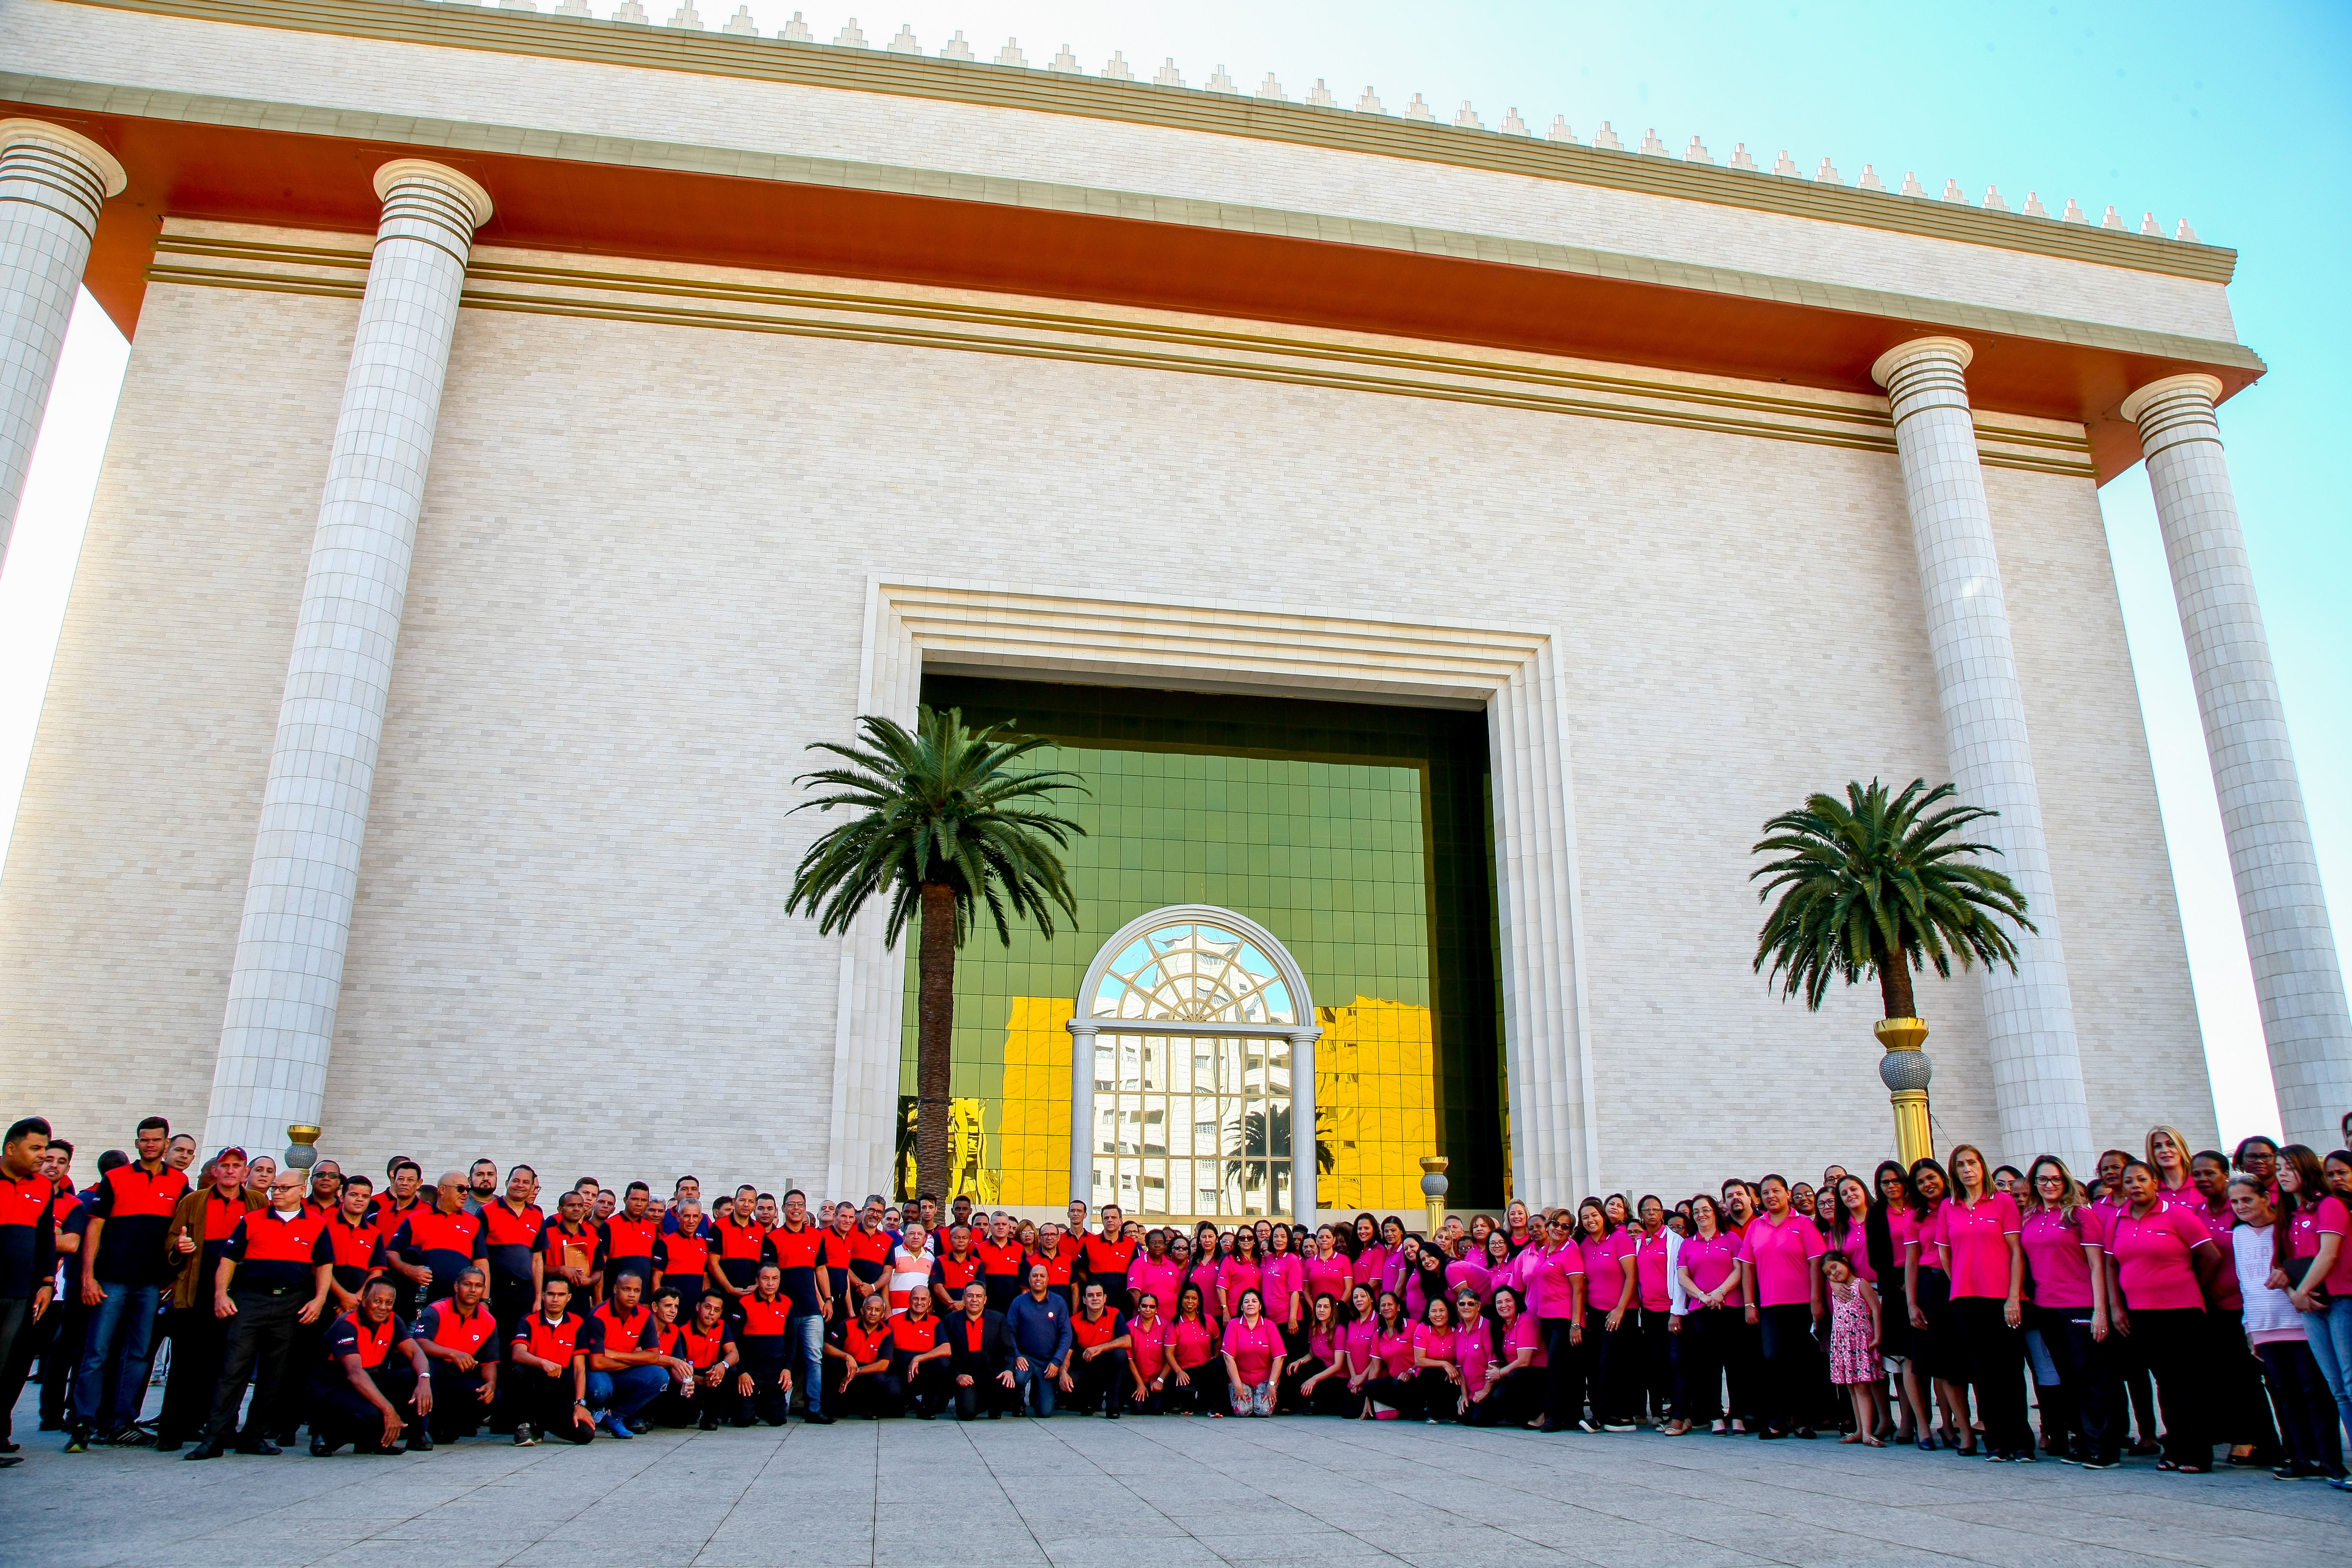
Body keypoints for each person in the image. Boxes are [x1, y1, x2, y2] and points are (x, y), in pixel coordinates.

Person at [68, 1115, 190, 1451]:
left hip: (151, 1284)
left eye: (156, 1140)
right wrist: (88, 1276)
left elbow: (185, 1230)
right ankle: (83, 1423)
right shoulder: (116, 1178)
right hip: (112, 1281)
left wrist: (177, 1274)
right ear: (137, 1143)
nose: (149, 1145)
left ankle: (123, 1423)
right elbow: (95, 1228)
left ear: (166, 1144)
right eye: (143, 1139)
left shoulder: (179, 1184)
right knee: (97, 1352)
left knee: (138, 1355)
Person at [2106, 1157, 2225, 1473]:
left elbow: (2211, 1256)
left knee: (2192, 1382)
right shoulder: (2118, 1220)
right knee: (2166, 1383)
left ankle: (2198, 1453)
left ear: (2155, 1182)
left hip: (2182, 1312)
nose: (2135, 1186)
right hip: (2142, 1314)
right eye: (2129, 1181)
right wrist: (2117, 1308)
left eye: (2142, 1180)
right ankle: (2175, 1448)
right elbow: (2110, 1265)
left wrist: (2194, 1286)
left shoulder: (2178, 1215)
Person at [2226, 1176, 2342, 1481]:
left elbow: (2296, 1270)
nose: (2241, 1207)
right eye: (2235, 1202)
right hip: (2264, 1325)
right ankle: (2300, 1458)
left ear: (2266, 1198)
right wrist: (2249, 1326)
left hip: (2297, 1320)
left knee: (2314, 1392)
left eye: (2247, 1200)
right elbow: (2246, 1282)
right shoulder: (2238, 1234)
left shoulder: (2285, 1229)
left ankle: (2330, 1461)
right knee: (2286, 1394)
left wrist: (2295, 1293)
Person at [155, 1144, 260, 1450]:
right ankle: (173, 1430)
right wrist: (180, 1246)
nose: (230, 1171)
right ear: (215, 1171)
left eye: (236, 1165)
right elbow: (173, 1237)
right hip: (196, 1290)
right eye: (224, 1165)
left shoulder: (256, 1202)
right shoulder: (194, 1201)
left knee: (225, 1364)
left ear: (245, 1173)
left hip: (237, 1294)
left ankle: (215, 1426)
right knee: (186, 1362)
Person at [1939, 1144, 2031, 1462]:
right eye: (1960, 1165)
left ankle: (2022, 1441)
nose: (1967, 1169)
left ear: (1983, 1167)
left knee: (2010, 1370)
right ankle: (1996, 1440)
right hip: (1967, 1300)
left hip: (2004, 1298)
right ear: (1955, 1173)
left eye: (1972, 1163)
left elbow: (2017, 1251)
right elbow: (1945, 1254)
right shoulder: (1949, 1207)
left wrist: (2013, 1297)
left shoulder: (2003, 1203)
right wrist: (1963, 1281)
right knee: (1984, 1372)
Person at [2019, 1155, 2110, 1466]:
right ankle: (2083, 1443)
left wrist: (2101, 1311)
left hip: (2081, 1304)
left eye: (2056, 1179)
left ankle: (2103, 1448)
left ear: (2066, 1181)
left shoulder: (2081, 1215)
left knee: (2090, 1377)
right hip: (2047, 1308)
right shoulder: (2030, 1217)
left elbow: (2098, 1266)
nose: (2050, 1185)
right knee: (2067, 1378)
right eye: (2043, 1180)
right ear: (2034, 1183)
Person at [1739, 1172, 1825, 1441]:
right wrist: (1750, 1304)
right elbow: (1747, 1268)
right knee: (1773, 1360)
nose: (1771, 1197)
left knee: (1802, 1363)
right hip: (1770, 1306)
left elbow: (1816, 1264)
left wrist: (1816, 1301)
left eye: (1776, 1191)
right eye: (1765, 1193)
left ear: (1788, 1194)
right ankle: (1777, 1422)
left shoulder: (1803, 1225)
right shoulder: (1756, 1226)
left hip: (1801, 1304)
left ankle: (1802, 1421)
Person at [311, 1277, 433, 1456]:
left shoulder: (392, 1320)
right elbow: (354, 1374)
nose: (383, 1307)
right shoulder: (346, 1324)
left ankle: (417, 1434)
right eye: (378, 1301)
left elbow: (416, 1353)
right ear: (365, 1300)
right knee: (374, 1414)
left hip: (368, 1380)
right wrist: (388, 1409)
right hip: (333, 1388)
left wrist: (424, 1379)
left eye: (389, 1303)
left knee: (414, 1375)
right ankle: (325, 1435)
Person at [0, 1118, 57, 1467]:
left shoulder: (42, 1187)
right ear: (11, 1148)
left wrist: (47, 1282)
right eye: (35, 1148)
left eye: (44, 1149)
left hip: (21, 1293)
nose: (42, 1156)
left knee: (10, 1367)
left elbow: (44, 1239)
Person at [1676, 1194, 1745, 1437]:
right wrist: (1703, 1297)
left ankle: (1737, 1415)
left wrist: (1720, 1292)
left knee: (1735, 1363)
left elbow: (1739, 1270)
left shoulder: (1731, 1239)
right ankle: (1716, 1415)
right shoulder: (1688, 1244)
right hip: (1701, 1311)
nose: (1701, 1215)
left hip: (1731, 1307)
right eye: (1696, 1212)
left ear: (1715, 1212)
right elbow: (1683, 1277)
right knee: (1709, 1365)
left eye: (1705, 1210)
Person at [409, 1265, 502, 1445]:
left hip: (456, 1379)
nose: (473, 1290)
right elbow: (419, 1343)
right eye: (468, 1284)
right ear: (457, 1287)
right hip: (433, 1373)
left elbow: (490, 1362)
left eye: (478, 1286)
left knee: (495, 1396)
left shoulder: (488, 1321)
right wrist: (454, 1354)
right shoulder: (437, 1310)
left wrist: (491, 1384)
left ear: (484, 1290)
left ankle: (447, 1428)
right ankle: (418, 1434)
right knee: (429, 1366)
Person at [506, 1275, 595, 1446]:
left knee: (586, 1435)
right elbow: (517, 1353)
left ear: (569, 1298)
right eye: (551, 1294)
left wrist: (580, 1404)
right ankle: (524, 1425)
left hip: (559, 1391)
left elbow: (579, 1369)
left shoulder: (577, 1323)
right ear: (543, 1295)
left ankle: (541, 1423)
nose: (555, 1299)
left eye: (561, 1295)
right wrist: (543, 1362)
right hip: (534, 1386)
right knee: (519, 1371)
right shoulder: (529, 1320)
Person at [586, 1272, 676, 1439]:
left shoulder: (645, 1315)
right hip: (601, 1372)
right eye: (626, 1289)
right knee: (600, 1390)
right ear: (615, 1289)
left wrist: (614, 1355)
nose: (632, 1295)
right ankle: (593, 1412)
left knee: (661, 1377)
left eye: (637, 1290)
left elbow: (654, 1357)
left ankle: (616, 1417)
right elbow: (596, 1362)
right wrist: (637, 1360)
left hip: (621, 1370)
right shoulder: (598, 1315)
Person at [385, 1171, 488, 1309]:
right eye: (460, 1188)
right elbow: (391, 1253)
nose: (465, 1194)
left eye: (468, 1190)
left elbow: (481, 1263)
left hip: (460, 1306)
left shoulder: (474, 1223)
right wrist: (410, 1270)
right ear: (442, 1190)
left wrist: (484, 1301)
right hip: (421, 1304)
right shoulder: (416, 1219)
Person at [1578, 1195, 1637, 1432]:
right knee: (1598, 1365)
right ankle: (1618, 1416)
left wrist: (1619, 1310)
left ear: (1603, 1216)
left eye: (1594, 1215)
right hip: (1597, 1313)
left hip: (1621, 1312)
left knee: (1613, 1365)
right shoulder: (1584, 1245)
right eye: (1585, 1218)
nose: (1590, 1221)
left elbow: (1632, 1277)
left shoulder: (1619, 1240)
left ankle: (1603, 1416)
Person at [1820, 1250, 1883, 1446]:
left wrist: (1878, 1336)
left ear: (1845, 1262)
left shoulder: (1861, 1284)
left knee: (1863, 1387)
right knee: (1851, 1388)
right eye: (1829, 1274)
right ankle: (1859, 1430)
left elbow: (1877, 1309)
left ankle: (1867, 1432)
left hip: (1860, 1341)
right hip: (1843, 1343)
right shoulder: (1836, 1289)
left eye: (1835, 1267)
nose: (1833, 1274)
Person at [479, 1165, 543, 1349]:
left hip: (525, 1294)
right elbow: (477, 1257)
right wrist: (484, 1298)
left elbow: (538, 1260)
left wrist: (538, 1298)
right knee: (492, 1344)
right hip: (496, 1292)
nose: (520, 1185)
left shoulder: (537, 1216)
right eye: (516, 1181)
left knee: (520, 1344)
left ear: (533, 1188)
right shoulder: (487, 1211)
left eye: (526, 1182)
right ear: (507, 1183)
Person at [729, 1263, 799, 1426]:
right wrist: (742, 1372)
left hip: (776, 1371)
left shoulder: (787, 1303)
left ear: (780, 1281)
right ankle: (745, 1406)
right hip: (751, 1370)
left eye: (775, 1279)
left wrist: (788, 1369)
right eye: (765, 1279)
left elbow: (792, 1337)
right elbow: (735, 1340)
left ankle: (761, 1405)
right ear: (757, 1281)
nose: (770, 1283)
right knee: (743, 1421)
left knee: (778, 1421)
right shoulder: (745, 1303)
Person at [1006, 1262, 1072, 1417]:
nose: (1038, 1279)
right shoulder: (1019, 1303)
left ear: (1048, 1279)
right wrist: (1017, 1355)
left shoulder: (1059, 1303)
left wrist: (1057, 1362)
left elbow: (1067, 1334)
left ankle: (1037, 1393)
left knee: (1045, 1412)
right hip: (1026, 1359)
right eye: (1035, 1276)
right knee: (1020, 1379)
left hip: (1048, 1362)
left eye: (1042, 1276)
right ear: (1029, 1280)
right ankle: (1019, 1402)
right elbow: (1009, 1332)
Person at [945, 1280, 1011, 1420]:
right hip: (967, 1376)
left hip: (992, 1374)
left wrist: (1009, 1370)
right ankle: (977, 1403)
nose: (974, 1300)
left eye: (979, 1296)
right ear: (964, 1299)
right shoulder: (950, 1321)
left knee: (1007, 1381)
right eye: (970, 1296)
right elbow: (946, 1356)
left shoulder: (998, 1319)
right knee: (967, 1414)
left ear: (985, 1300)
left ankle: (994, 1406)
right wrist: (958, 1375)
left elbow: (1008, 1350)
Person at [886, 1283, 952, 1418]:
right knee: (895, 1412)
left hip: (923, 1375)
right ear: (909, 1300)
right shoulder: (893, 1321)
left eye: (924, 1299)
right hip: (898, 1375)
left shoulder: (935, 1322)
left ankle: (926, 1407)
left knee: (943, 1363)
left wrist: (918, 1359)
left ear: (929, 1302)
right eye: (916, 1299)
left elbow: (947, 1349)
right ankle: (906, 1402)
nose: (919, 1302)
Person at [1066, 1280, 1130, 1416]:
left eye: (1099, 1295)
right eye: (1091, 1295)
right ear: (1084, 1300)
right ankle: (1089, 1401)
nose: (1095, 1298)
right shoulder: (1074, 1321)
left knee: (1121, 1355)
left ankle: (1113, 1407)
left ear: (1105, 1298)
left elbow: (1127, 1341)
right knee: (1074, 1384)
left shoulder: (1115, 1314)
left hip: (1108, 1366)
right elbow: (1068, 1352)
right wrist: (1063, 1374)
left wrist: (1100, 1348)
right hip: (1086, 1367)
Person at [829, 1292, 895, 1419]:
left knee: (880, 1379)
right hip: (846, 1370)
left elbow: (883, 1365)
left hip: (867, 1373)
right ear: (862, 1310)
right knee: (832, 1363)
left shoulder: (887, 1331)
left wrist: (856, 1372)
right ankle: (834, 1407)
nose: (873, 1313)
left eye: (878, 1310)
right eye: (869, 1309)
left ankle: (871, 1410)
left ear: (883, 1314)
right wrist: (847, 1357)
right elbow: (827, 1347)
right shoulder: (847, 1324)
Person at [535, 1189, 604, 1310]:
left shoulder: (593, 1238)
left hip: (581, 1299)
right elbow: (538, 1267)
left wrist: (589, 1281)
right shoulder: (547, 1235)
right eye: (571, 1205)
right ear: (560, 1209)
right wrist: (561, 1270)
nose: (577, 1209)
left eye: (580, 1206)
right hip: (553, 1297)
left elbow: (598, 1271)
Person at [599, 1182, 661, 1294]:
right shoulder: (609, 1225)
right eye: (635, 1199)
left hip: (644, 1297)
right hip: (614, 1296)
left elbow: (655, 1270)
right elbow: (600, 1267)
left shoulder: (652, 1228)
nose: (639, 1204)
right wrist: (598, 1300)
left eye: (644, 1200)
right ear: (626, 1200)